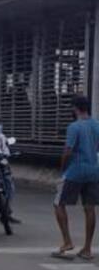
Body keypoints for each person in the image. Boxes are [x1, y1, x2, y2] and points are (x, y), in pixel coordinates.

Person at [52, 95, 99, 261]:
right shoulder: (97, 125)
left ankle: (67, 241)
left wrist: (62, 168)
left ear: (75, 108)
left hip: (75, 171)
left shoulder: (74, 127)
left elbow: (68, 150)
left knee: (58, 204)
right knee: (90, 208)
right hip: (94, 171)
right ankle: (87, 248)